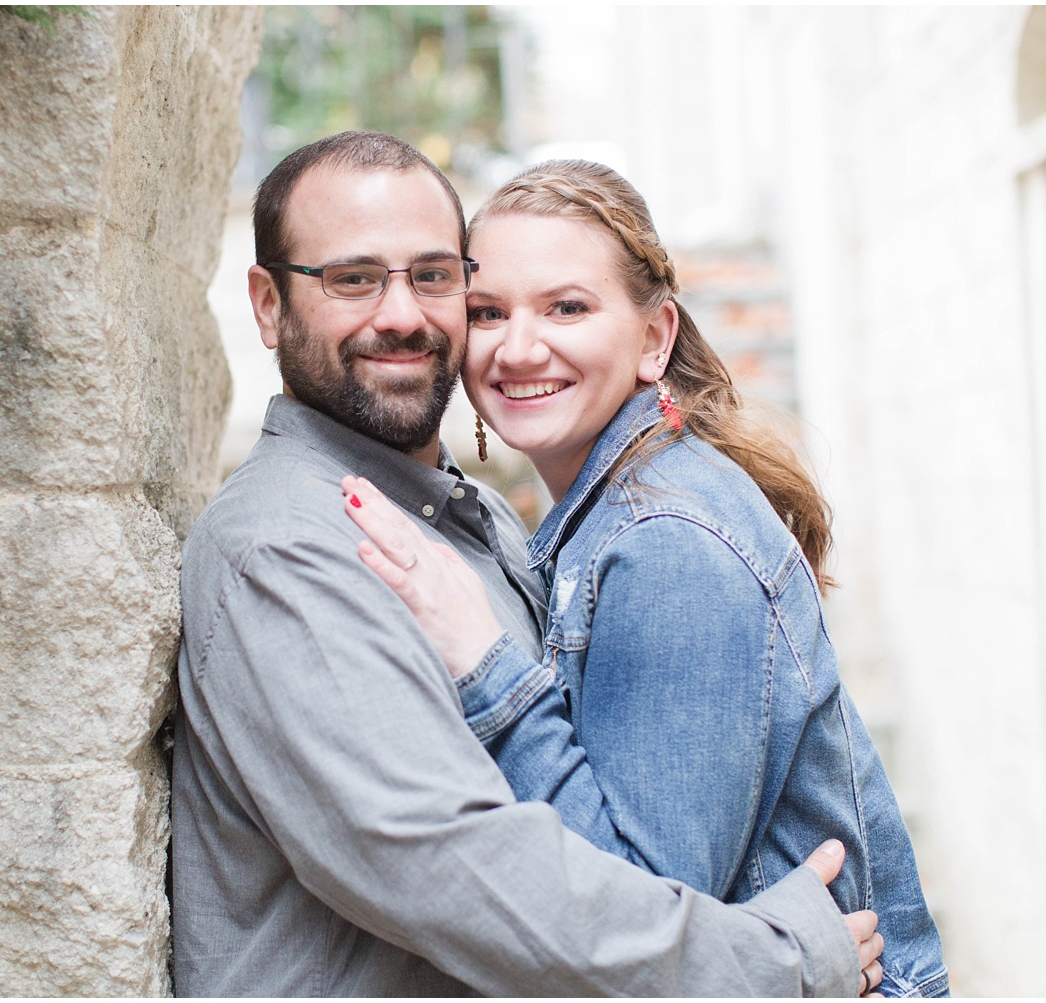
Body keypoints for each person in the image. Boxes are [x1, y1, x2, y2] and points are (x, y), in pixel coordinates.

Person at [170, 131, 884, 996]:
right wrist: (786, 962)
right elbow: (460, 871)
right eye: (353, 278)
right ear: (269, 303)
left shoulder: (493, 521)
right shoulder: (286, 547)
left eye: (434, 276)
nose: (401, 314)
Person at [343, 160, 949, 997]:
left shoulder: (663, 539)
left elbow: (639, 922)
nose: (519, 347)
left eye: (567, 307)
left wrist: (484, 659)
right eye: (488, 312)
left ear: (655, 337)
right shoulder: (615, 510)